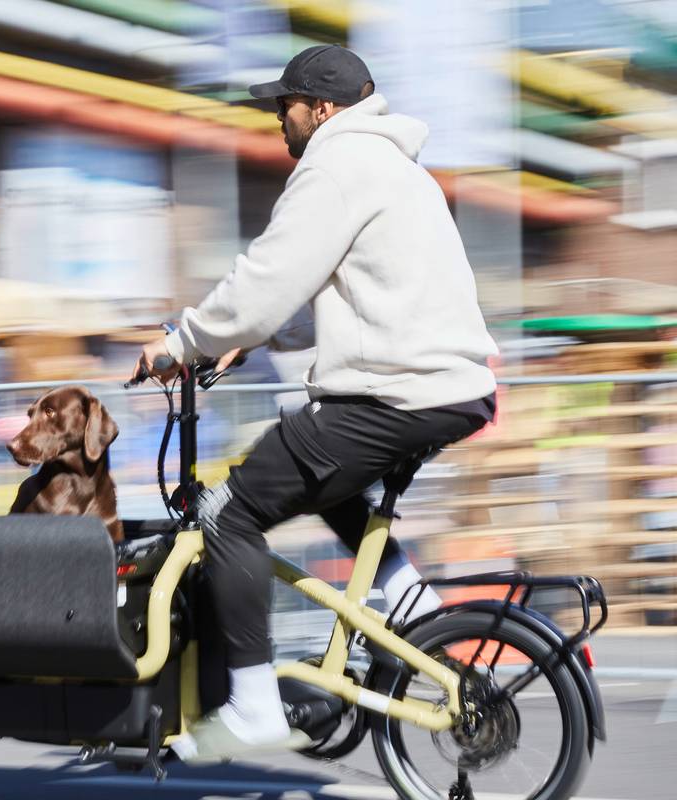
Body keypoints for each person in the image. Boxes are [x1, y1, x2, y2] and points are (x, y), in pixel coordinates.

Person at [131, 45, 499, 761]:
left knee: (228, 513)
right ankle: (413, 607)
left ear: (320, 108)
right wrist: (258, 336)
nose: (279, 119)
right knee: (316, 467)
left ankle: (253, 708)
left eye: (284, 106)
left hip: (394, 392)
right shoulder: (397, 168)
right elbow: (354, 284)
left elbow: (265, 278)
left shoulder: (333, 165)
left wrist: (185, 342)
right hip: (448, 389)